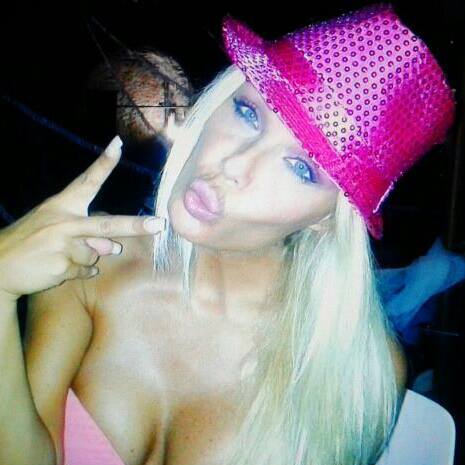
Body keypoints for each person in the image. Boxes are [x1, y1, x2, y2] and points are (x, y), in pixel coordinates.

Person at [0, 4, 455, 465]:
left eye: (301, 168)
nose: (234, 165)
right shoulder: (89, 264)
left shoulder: (359, 371)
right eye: (248, 113)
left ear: (326, 219)